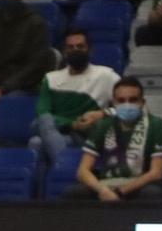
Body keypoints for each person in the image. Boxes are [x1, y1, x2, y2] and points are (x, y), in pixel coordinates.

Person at [67, 77, 162, 202]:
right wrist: (102, 190)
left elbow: (157, 173)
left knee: (152, 193)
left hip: (139, 185)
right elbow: (83, 171)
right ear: (114, 103)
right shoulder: (102, 125)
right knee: (74, 192)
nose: (127, 104)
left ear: (142, 102)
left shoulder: (157, 125)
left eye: (133, 100)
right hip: (106, 185)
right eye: (121, 100)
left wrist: (120, 192)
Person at [36, 28, 117, 164]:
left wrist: (102, 114)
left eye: (80, 46)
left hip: (86, 134)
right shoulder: (50, 78)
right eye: (70, 47)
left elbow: (132, 106)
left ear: (90, 50)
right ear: (64, 52)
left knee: (37, 142)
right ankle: (65, 166)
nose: (75, 50)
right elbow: (43, 113)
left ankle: (61, 170)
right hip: (58, 131)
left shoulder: (106, 76)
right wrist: (73, 124)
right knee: (43, 121)